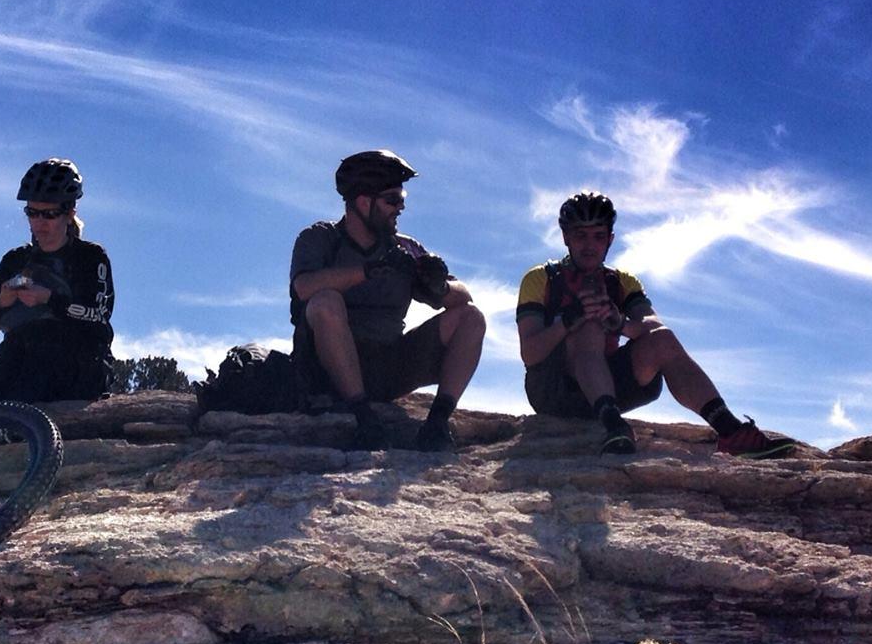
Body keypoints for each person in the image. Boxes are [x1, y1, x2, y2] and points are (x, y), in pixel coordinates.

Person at [516, 191, 797, 459]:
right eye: (580, 236)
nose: (589, 245)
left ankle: (730, 430)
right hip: (554, 391)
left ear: (610, 240)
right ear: (566, 238)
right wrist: (569, 320)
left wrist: (619, 323)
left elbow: (652, 325)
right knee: (588, 327)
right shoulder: (542, 279)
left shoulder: (622, 282)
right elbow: (530, 353)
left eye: (598, 236)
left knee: (661, 338)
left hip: (610, 388)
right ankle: (613, 425)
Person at [290, 150, 486, 452]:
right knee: (325, 301)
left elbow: (465, 299)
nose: (401, 207)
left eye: (402, 198)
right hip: (325, 372)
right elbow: (304, 287)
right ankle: (363, 420)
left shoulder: (405, 248)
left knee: (471, 317)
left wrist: (437, 285)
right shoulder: (320, 238)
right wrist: (367, 271)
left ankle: (436, 425)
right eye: (392, 200)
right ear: (363, 202)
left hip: (388, 367)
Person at [0, 159, 115, 406]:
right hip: (18, 357)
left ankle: (12, 429)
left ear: (70, 212)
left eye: (49, 214)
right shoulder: (15, 259)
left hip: (80, 362)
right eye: (32, 212)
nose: (39, 222)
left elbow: (100, 316)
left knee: (25, 388)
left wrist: (49, 299)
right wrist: (1, 301)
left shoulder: (91, 256)